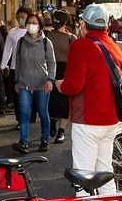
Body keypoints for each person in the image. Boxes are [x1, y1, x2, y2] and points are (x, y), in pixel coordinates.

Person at [58, 4, 122, 195]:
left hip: (88, 120)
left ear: (83, 24)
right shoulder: (114, 46)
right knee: (105, 173)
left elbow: (74, 85)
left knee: (83, 177)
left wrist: (59, 85)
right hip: (111, 119)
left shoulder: (81, 45)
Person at [12, 12, 56, 154]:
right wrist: (16, 81)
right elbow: (17, 63)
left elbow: (51, 63)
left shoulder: (45, 43)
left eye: (34, 22)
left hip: (42, 83)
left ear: (40, 25)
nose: (31, 25)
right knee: (24, 113)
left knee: (43, 113)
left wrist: (51, 79)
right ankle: (23, 142)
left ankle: (44, 140)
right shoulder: (20, 42)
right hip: (24, 83)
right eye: (29, 22)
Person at [44, 9, 75, 143]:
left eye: (59, 19)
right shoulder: (46, 34)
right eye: (54, 18)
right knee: (49, 99)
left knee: (63, 101)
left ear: (65, 21)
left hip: (64, 71)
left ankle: (61, 130)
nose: (56, 21)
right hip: (48, 69)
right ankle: (51, 121)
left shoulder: (71, 38)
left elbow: (75, 58)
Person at [1, 6, 33, 127]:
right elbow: (7, 50)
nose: (21, 19)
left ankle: (29, 116)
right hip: (15, 68)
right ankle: (20, 120)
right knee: (17, 96)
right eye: (19, 17)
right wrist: (3, 65)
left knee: (30, 95)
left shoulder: (33, 32)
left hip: (31, 69)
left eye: (23, 17)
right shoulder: (12, 32)